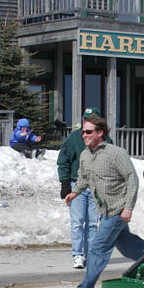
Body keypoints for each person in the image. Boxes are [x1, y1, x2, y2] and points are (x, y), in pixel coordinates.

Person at [59, 114, 144, 288]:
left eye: (88, 132)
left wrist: (128, 207)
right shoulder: (86, 155)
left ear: (100, 133)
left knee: (97, 248)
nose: (84, 135)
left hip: (118, 210)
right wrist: (74, 192)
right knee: (130, 248)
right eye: (82, 132)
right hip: (105, 211)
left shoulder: (115, 153)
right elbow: (83, 178)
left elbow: (132, 180)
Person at [57, 108, 104, 269]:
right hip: (76, 185)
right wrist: (64, 183)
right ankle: (78, 254)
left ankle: (90, 255)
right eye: (85, 119)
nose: (87, 123)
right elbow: (63, 161)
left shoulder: (104, 139)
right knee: (77, 222)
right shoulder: (74, 138)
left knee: (92, 223)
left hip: (96, 187)